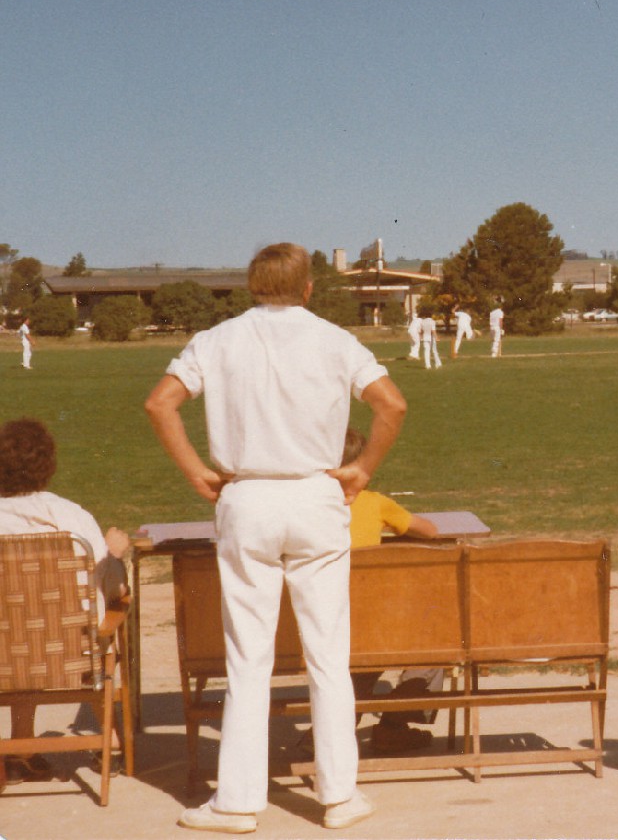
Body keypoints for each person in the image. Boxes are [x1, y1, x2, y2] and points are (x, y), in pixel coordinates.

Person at [145, 242, 406, 834]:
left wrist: (194, 471)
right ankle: (340, 795)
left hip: (248, 499)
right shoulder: (336, 340)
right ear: (308, 287)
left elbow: (161, 403)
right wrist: (362, 470)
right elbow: (392, 404)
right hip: (316, 497)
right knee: (327, 654)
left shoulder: (219, 339)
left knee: (248, 656)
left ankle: (237, 802)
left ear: (252, 287)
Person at [0, 417, 131, 785]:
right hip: (70, 649)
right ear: (48, 464)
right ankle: (112, 741)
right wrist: (115, 555)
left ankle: (21, 747)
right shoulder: (72, 517)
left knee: (19, 628)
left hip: (5, 651)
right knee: (90, 627)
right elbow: (113, 590)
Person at [340, 428, 441, 753]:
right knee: (432, 642)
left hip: (334, 619)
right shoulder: (374, 504)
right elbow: (429, 530)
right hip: (371, 620)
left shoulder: (304, 507)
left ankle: (336, 728)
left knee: (365, 651)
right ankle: (395, 725)